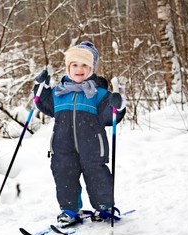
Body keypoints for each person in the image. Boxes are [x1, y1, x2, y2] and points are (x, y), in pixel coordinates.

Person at [33, 41, 125, 224]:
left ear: (92, 68)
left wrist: (118, 105)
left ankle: (104, 207)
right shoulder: (58, 93)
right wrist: (40, 87)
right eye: (74, 65)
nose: (79, 69)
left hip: (92, 146)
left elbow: (110, 116)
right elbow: (42, 103)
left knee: (97, 175)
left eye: (85, 65)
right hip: (62, 145)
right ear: (68, 67)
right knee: (64, 174)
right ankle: (70, 210)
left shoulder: (99, 94)